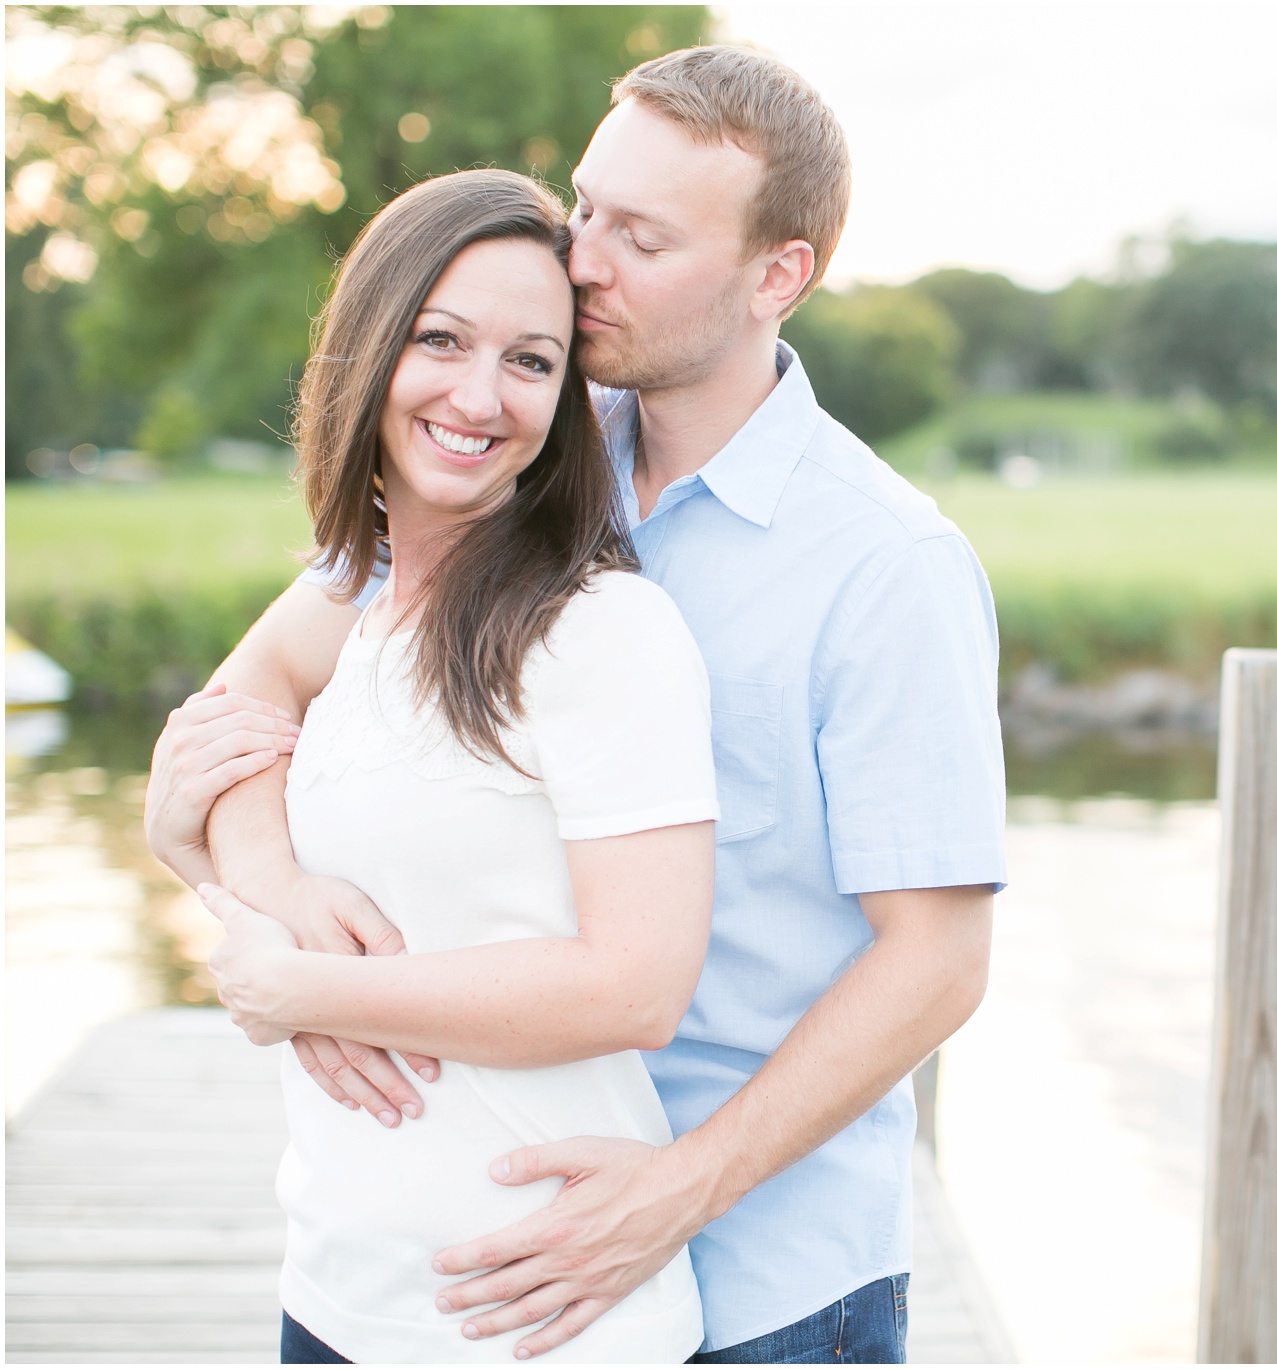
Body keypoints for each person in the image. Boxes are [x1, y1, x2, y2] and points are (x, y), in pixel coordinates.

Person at [146, 45, 1006, 1364]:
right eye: (587, 205)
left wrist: (684, 1188)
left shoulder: (886, 566)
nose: (583, 257)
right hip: (480, 1219)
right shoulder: (519, 440)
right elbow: (255, 687)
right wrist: (283, 900)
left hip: (769, 1272)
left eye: (641, 237)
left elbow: (938, 959)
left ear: (779, 274)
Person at [169, 167, 723, 1361]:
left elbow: (638, 983)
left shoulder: (599, 630)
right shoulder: (356, 598)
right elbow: (229, 719)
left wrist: (306, 989)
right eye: (440, 339)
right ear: (371, 348)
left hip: (537, 1318)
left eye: (531, 360)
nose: (482, 395)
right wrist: (283, 894)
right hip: (333, 1298)